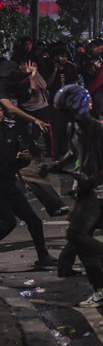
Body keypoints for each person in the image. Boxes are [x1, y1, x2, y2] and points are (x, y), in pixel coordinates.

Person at [51, 84, 103, 307]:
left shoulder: (98, 130)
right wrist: (57, 165)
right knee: (81, 242)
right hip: (84, 191)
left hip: (99, 192)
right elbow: (73, 152)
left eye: (67, 111)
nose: (64, 116)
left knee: (77, 236)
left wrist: (94, 178)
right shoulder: (73, 128)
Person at [0, 102, 56, 269]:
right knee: (8, 222)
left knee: (33, 220)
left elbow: (20, 156)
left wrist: (23, 158)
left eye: (0, 110)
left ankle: (43, 256)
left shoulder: (9, 130)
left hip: (9, 182)